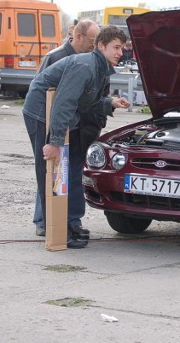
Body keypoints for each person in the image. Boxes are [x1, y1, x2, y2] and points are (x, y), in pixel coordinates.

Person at [22, 26, 130, 247]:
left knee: (65, 171)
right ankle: (54, 228)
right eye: (116, 47)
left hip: (59, 114)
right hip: (42, 112)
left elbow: (85, 102)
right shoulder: (84, 66)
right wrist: (54, 142)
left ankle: (68, 224)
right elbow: (63, 104)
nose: (120, 52)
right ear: (101, 46)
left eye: (122, 48)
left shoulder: (100, 68)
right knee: (50, 171)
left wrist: (110, 103)